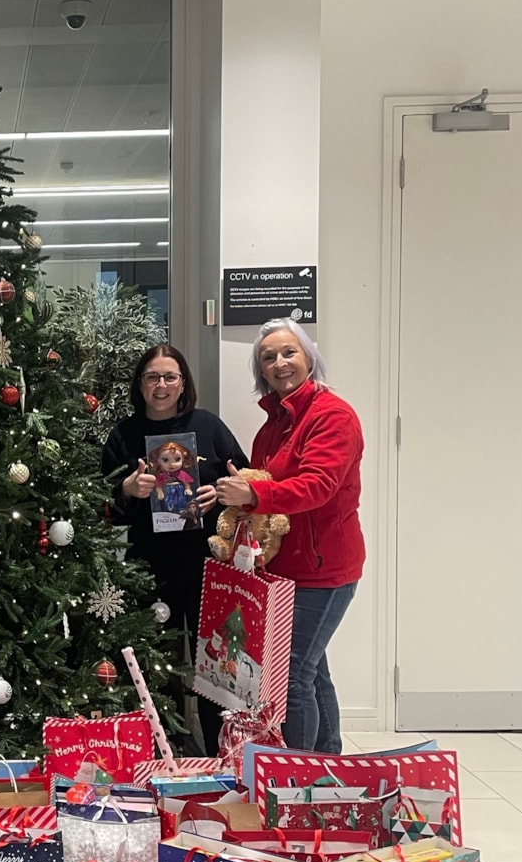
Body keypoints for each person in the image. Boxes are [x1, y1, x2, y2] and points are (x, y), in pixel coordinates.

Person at [216, 319, 364, 755]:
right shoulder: (273, 423)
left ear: (308, 358)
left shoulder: (332, 415)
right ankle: (327, 763)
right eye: (268, 358)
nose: (279, 364)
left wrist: (254, 493)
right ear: (260, 370)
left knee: (294, 672)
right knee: (313, 670)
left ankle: (294, 774)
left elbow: (318, 485)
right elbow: (266, 486)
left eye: (288, 353)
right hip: (285, 568)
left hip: (325, 570)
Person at [102, 344, 248, 754]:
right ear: (140, 385)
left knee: (215, 666)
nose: (161, 385)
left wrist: (217, 493)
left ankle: (222, 751)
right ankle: (169, 752)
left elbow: (246, 481)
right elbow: (103, 503)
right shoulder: (124, 435)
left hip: (209, 568)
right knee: (159, 665)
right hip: (150, 567)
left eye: (170, 377)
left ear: (183, 383)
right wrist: (128, 490)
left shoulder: (209, 425)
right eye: (152, 377)